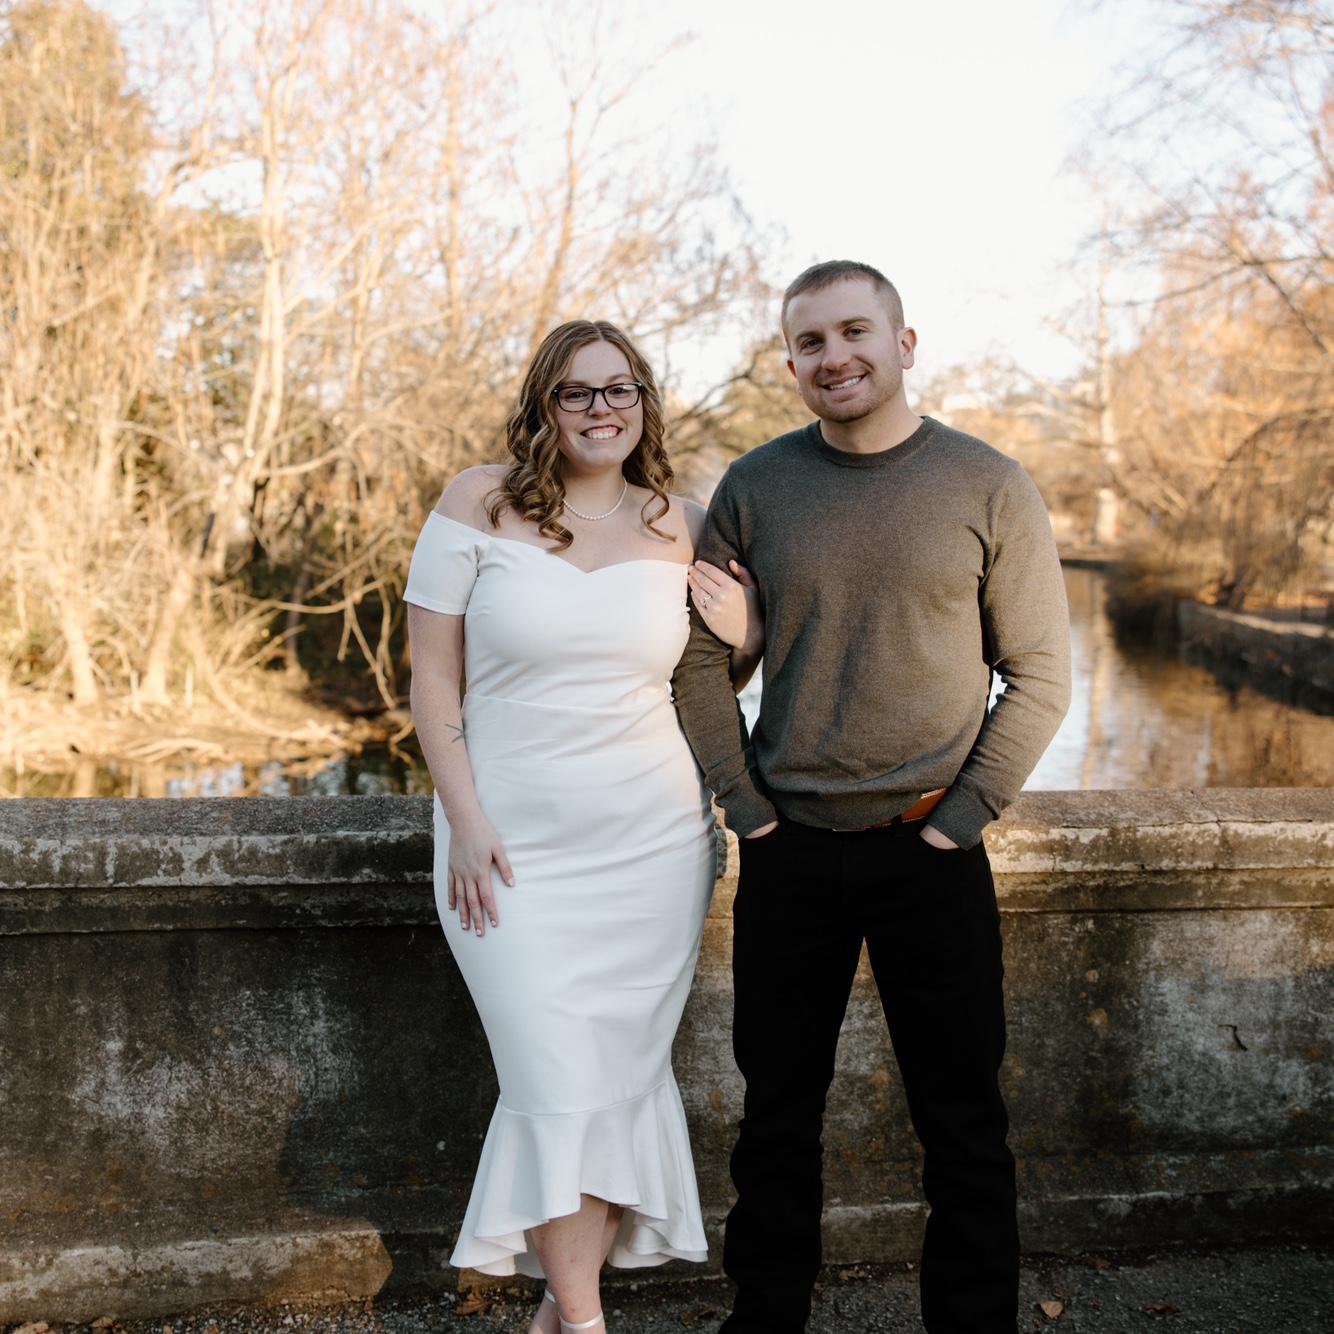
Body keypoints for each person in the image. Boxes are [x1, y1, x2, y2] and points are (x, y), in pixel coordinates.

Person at [671, 260, 1072, 1334]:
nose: (833, 356)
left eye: (854, 331)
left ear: (903, 343)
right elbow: (698, 666)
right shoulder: (755, 487)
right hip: (789, 852)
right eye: (809, 341)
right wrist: (745, 807)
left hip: (929, 850)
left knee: (963, 1124)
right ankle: (764, 1319)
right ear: (790, 364)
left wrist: (960, 820)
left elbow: (1039, 675)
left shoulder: (987, 484)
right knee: (774, 1120)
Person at [403, 319, 760, 1334]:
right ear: (544, 407)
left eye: (619, 389)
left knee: (614, 1082)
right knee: (552, 1075)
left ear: (644, 401)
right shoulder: (476, 502)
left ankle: (567, 1315)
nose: (600, 408)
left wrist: (747, 637)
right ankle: (583, 1318)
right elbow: (432, 677)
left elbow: (710, 678)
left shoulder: (685, 523)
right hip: (508, 847)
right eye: (576, 391)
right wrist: (465, 817)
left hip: (653, 848)